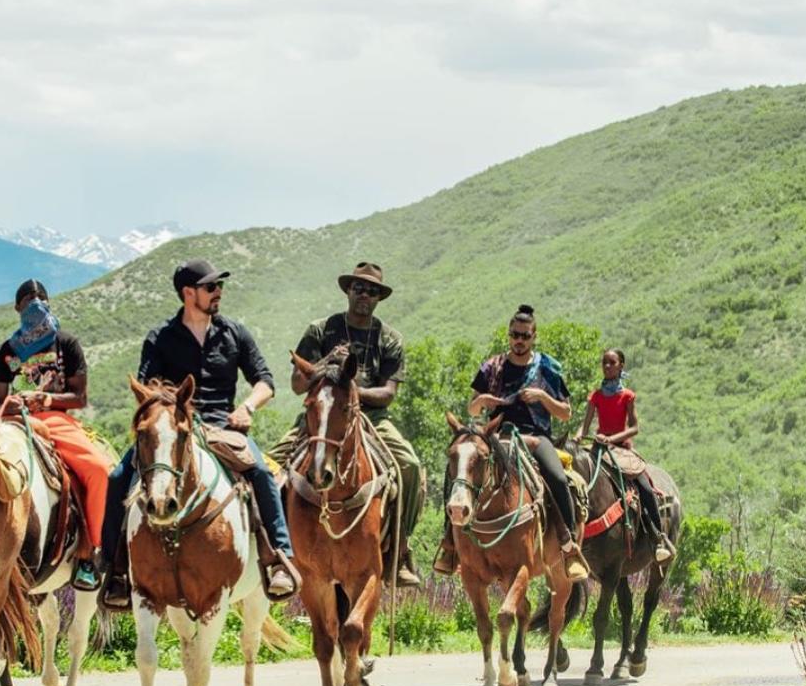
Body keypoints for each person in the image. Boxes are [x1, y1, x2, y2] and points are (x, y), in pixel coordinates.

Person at [99, 258, 301, 610]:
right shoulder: (161, 338)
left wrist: (248, 407)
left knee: (263, 474)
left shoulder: (234, 333)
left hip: (225, 426)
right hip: (174, 428)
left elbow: (265, 381)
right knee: (118, 477)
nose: (218, 292)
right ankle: (113, 570)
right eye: (210, 287)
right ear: (188, 293)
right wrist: (169, 409)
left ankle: (278, 560)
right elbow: (148, 387)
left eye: (218, 286)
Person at [270, 262, 425, 587]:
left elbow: (388, 392)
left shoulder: (390, 339)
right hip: (320, 414)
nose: (364, 295)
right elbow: (299, 384)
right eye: (359, 288)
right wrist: (326, 364)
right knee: (270, 467)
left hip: (371, 416)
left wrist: (351, 393)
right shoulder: (320, 330)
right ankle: (278, 556)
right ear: (348, 291)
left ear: (379, 297)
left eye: (371, 291)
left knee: (409, 465)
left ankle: (399, 551)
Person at [435, 303, 587, 581]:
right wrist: (482, 401)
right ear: (509, 335)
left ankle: (569, 545)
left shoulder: (548, 368)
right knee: (459, 470)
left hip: (536, 437)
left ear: (534, 336)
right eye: (515, 335)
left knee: (558, 478)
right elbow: (472, 410)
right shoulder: (492, 367)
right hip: (495, 437)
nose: (519, 341)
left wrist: (542, 397)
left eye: (525, 336)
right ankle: (449, 544)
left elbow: (566, 413)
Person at [0, 279, 111, 591]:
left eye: (41, 297)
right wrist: (13, 403)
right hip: (16, 420)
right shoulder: (6, 351)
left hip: (57, 420)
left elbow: (80, 397)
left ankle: (90, 554)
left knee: (98, 471)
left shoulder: (66, 343)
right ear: (18, 308)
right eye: (28, 299)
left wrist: (46, 399)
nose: (35, 302)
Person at [572, 347, 674, 562]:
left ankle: (658, 538)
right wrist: (578, 436)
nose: (607, 367)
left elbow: (635, 427)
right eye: (604, 363)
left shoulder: (627, 396)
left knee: (645, 485)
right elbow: (585, 424)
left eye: (612, 363)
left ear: (621, 366)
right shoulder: (596, 396)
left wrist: (614, 437)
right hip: (599, 448)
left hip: (622, 449)